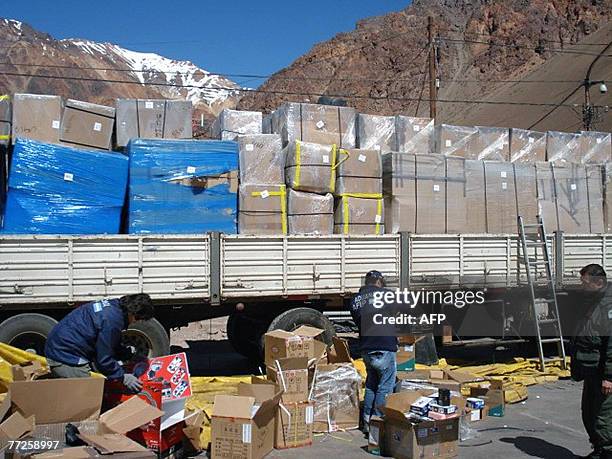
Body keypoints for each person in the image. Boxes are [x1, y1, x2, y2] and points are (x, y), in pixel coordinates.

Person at [45, 294, 154, 392]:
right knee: (91, 395)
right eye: (138, 319)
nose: (135, 322)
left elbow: (111, 344)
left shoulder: (114, 307)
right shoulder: (112, 320)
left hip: (61, 346)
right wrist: (122, 377)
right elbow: (103, 359)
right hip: (64, 357)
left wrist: (130, 356)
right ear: (133, 313)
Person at [349, 270, 398, 434]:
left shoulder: (355, 300)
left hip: (366, 347)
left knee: (371, 384)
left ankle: (367, 422)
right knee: (385, 386)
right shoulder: (388, 295)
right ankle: (378, 424)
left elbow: (358, 320)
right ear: (379, 282)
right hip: (385, 345)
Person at [571, 264, 612, 459]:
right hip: (591, 369)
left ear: (598, 282)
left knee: (602, 416)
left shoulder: (608, 305)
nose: (582, 286)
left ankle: (607, 451)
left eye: (585, 282)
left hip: (603, 372)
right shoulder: (593, 299)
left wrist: (609, 377)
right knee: (588, 413)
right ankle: (598, 449)